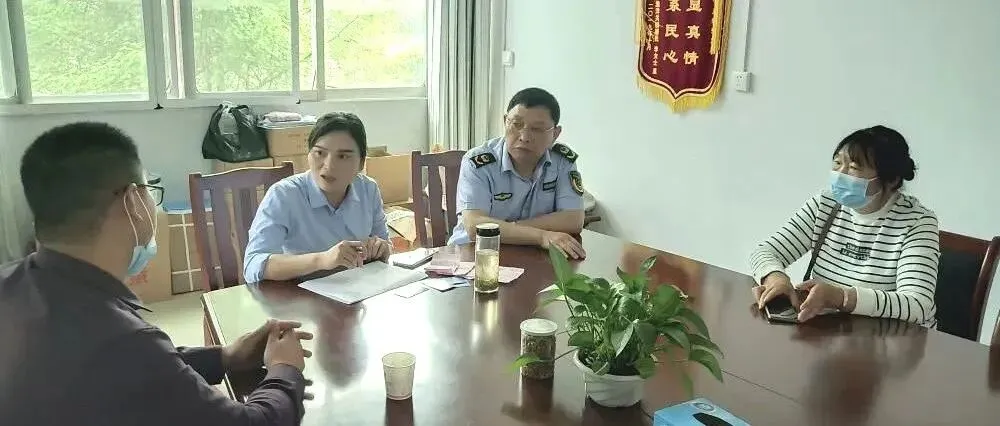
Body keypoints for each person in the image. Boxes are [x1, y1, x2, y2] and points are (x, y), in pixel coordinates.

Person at [0, 122, 312, 426]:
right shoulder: (125, 339)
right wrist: (285, 368)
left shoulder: (11, 281)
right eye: (151, 190)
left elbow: (125, 369)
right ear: (134, 201)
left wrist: (224, 357)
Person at [749, 125, 939, 326]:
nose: (840, 174)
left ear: (891, 180)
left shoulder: (917, 221)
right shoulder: (826, 204)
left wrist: (842, 298)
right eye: (838, 163)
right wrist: (776, 279)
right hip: (831, 330)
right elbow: (764, 252)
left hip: (892, 338)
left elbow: (918, 306)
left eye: (854, 168)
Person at [243, 112, 392, 283]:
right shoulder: (283, 195)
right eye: (320, 153)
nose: (329, 165)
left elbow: (385, 244)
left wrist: (381, 249)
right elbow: (253, 265)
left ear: (361, 163)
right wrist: (322, 260)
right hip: (298, 295)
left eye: (343, 156)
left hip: (357, 291)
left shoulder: (368, 189)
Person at [448, 87, 586, 259]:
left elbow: (573, 219)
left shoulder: (563, 161)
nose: (524, 137)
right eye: (516, 124)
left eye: (537, 129)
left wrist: (512, 229)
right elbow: (475, 226)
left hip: (528, 255)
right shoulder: (478, 162)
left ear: (555, 134)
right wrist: (541, 236)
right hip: (471, 254)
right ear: (505, 122)